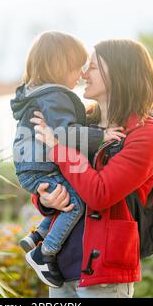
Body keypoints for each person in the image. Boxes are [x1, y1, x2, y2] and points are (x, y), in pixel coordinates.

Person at [30, 39, 153, 298]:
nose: (84, 73)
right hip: (60, 269)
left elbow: (100, 192)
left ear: (120, 73)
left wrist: (57, 149)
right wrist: (44, 197)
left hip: (103, 277)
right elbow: (48, 173)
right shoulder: (78, 124)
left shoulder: (145, 136)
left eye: (94, 67)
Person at [11, 31, 125, 288]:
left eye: (89, 67)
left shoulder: (40, 94)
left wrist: (43, 199)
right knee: (74, 202)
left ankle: (37, 234)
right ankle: (44, 252)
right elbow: (65, 133)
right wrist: (102, 134)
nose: (81, 74)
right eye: (77, 67)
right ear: (61, 67)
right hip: (40, 165)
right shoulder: (56, 96)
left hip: (32, 166)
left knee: (67, 193)